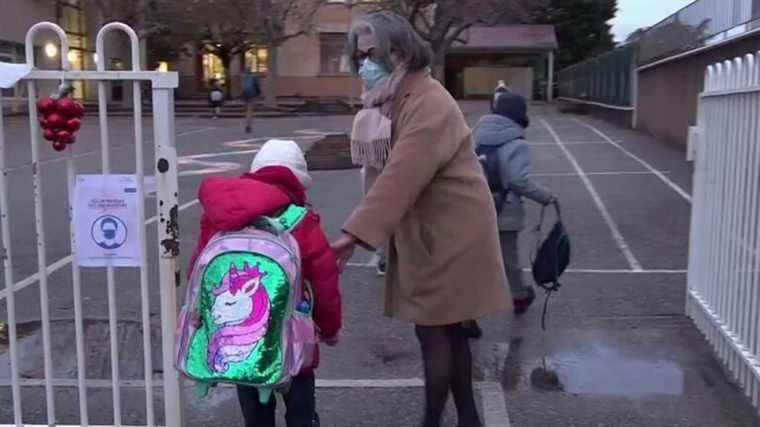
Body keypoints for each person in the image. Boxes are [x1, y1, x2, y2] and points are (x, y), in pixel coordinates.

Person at [332, 12, 508, 427]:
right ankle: (468, 417)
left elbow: (401, 174)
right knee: (450, 329)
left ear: (400, 49)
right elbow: (390, 174)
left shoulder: (428, 100)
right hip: (435, 229)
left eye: (373, 53)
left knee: (434, 332)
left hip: (451, 231)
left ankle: (433, 421)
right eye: (360, 57)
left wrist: (353, 235)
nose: (366, 63)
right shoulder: (394, 99)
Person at [188, 139, 342, 427]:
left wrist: (201, 322)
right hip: (293, 342)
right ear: (298, 180)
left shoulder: (221, 216)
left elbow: (197, 274)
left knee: (255, 414)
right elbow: (324, 281)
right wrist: (330, 328)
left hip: (242, 342)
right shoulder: (299, 219)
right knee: (301, 412)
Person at [473, 91, 556, 315]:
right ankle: (518, 295)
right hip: (505, 210)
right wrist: (545, 196)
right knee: (508, 256)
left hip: (476, 206)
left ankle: (467, 304)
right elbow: (518, 180)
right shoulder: (517, 144)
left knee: (475, 255)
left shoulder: (477, 136)